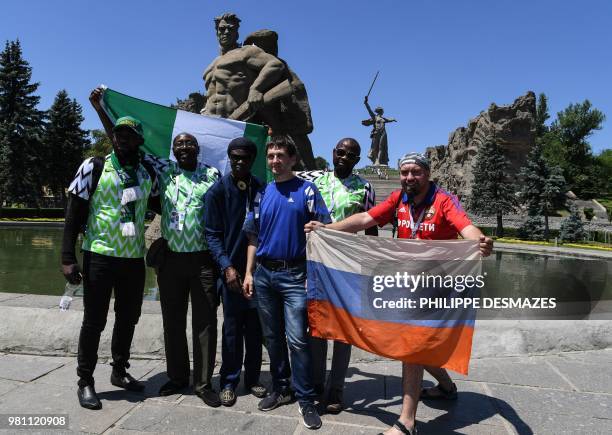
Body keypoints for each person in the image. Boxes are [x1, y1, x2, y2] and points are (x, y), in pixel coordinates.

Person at [305, 152, 493, 435]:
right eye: (405, 172)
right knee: (416, 343)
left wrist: (479, 242)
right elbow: (365, 219)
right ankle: (446, 386)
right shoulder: (398, 199)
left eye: (415, 172)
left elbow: (466, 228)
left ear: (427, 174)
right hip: (406, 282)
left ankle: (406, 422)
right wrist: (327, 229)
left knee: (411, 345)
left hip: (436, 286)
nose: (409, 178)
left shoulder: (443, 200)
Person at [62, 91, 157, 410]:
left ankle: (119, 371)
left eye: (128, 135)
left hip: (132, 260)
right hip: (99, 256)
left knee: (128, 318)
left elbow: (163, 205)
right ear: (112, 137)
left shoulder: (147, 174)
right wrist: (67, 257)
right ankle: (85, 381)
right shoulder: (95, 166)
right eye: (118, 134)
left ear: (138, 140)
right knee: (94, 321)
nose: (122, 140)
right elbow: (74, 212)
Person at [242, 135, 331, 430]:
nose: (275, 161)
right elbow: (253, 236)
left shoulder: (307, 190)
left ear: (293, 159)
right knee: (273, 337)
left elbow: (325, 231)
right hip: (265, 274)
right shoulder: (261, 192)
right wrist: (248, 272)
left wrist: (314, 273)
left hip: (295, 275)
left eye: (280, 155)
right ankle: (281, 388)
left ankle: (306, 399)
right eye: (271, 156)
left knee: (297, 339)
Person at [299, 138, 377, 414]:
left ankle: (336, 390)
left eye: (351, 155)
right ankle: (317, 385)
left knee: (343, 332)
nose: (344, 157)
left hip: (348, 266)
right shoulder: (314, 180)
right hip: (316, 263)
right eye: (340, 152)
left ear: (357, 160)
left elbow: (371, 227)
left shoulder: (364, 187)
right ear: (332, 153)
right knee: (317, 327)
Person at [145, 133, 222, 406]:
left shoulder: (212, 175)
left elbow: (225, 208)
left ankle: (203, 383)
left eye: (189, 143)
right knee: (173, 322)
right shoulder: (164, 173)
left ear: (198, 149)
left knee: (205, 324)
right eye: (179, 144)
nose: (185, 147)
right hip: (172, 260)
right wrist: (101, 110)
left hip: (203, 261)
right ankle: (177, 377)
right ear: (174, 150)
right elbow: (131, 147)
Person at [204, 137, 267, 407]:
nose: (239, 162)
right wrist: (226, 267)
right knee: (231, 329)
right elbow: (212, 234)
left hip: (258, 274)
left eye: (244, 157)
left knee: (254, 329)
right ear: (229, 158)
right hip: (229, 273)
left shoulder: (262, 189)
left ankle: (252, 378)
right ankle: (228, 381)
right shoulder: (217, 191)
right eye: (234, 157)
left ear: (253, 160)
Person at [201, 13, 285, 121]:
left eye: (230, 29)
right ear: (217, 32)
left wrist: (256, 89)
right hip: (208, 120)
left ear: (237, 33)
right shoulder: (211, 65)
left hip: (237, 120)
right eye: (222, 29)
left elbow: (275, 65)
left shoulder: (245, 52)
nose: (226, 32)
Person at [361, 96, 397, 166]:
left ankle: (379, 161)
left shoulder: (383, 118)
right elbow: (369, 110)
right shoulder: (374, 117)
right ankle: (376, 160)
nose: (383, 111)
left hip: (383, 133)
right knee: (375, 148)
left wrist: (393, 119)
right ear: (380, 111)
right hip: (376, 133)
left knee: (382, 147)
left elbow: (388, 120)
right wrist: (366, 103)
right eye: (382, 110)